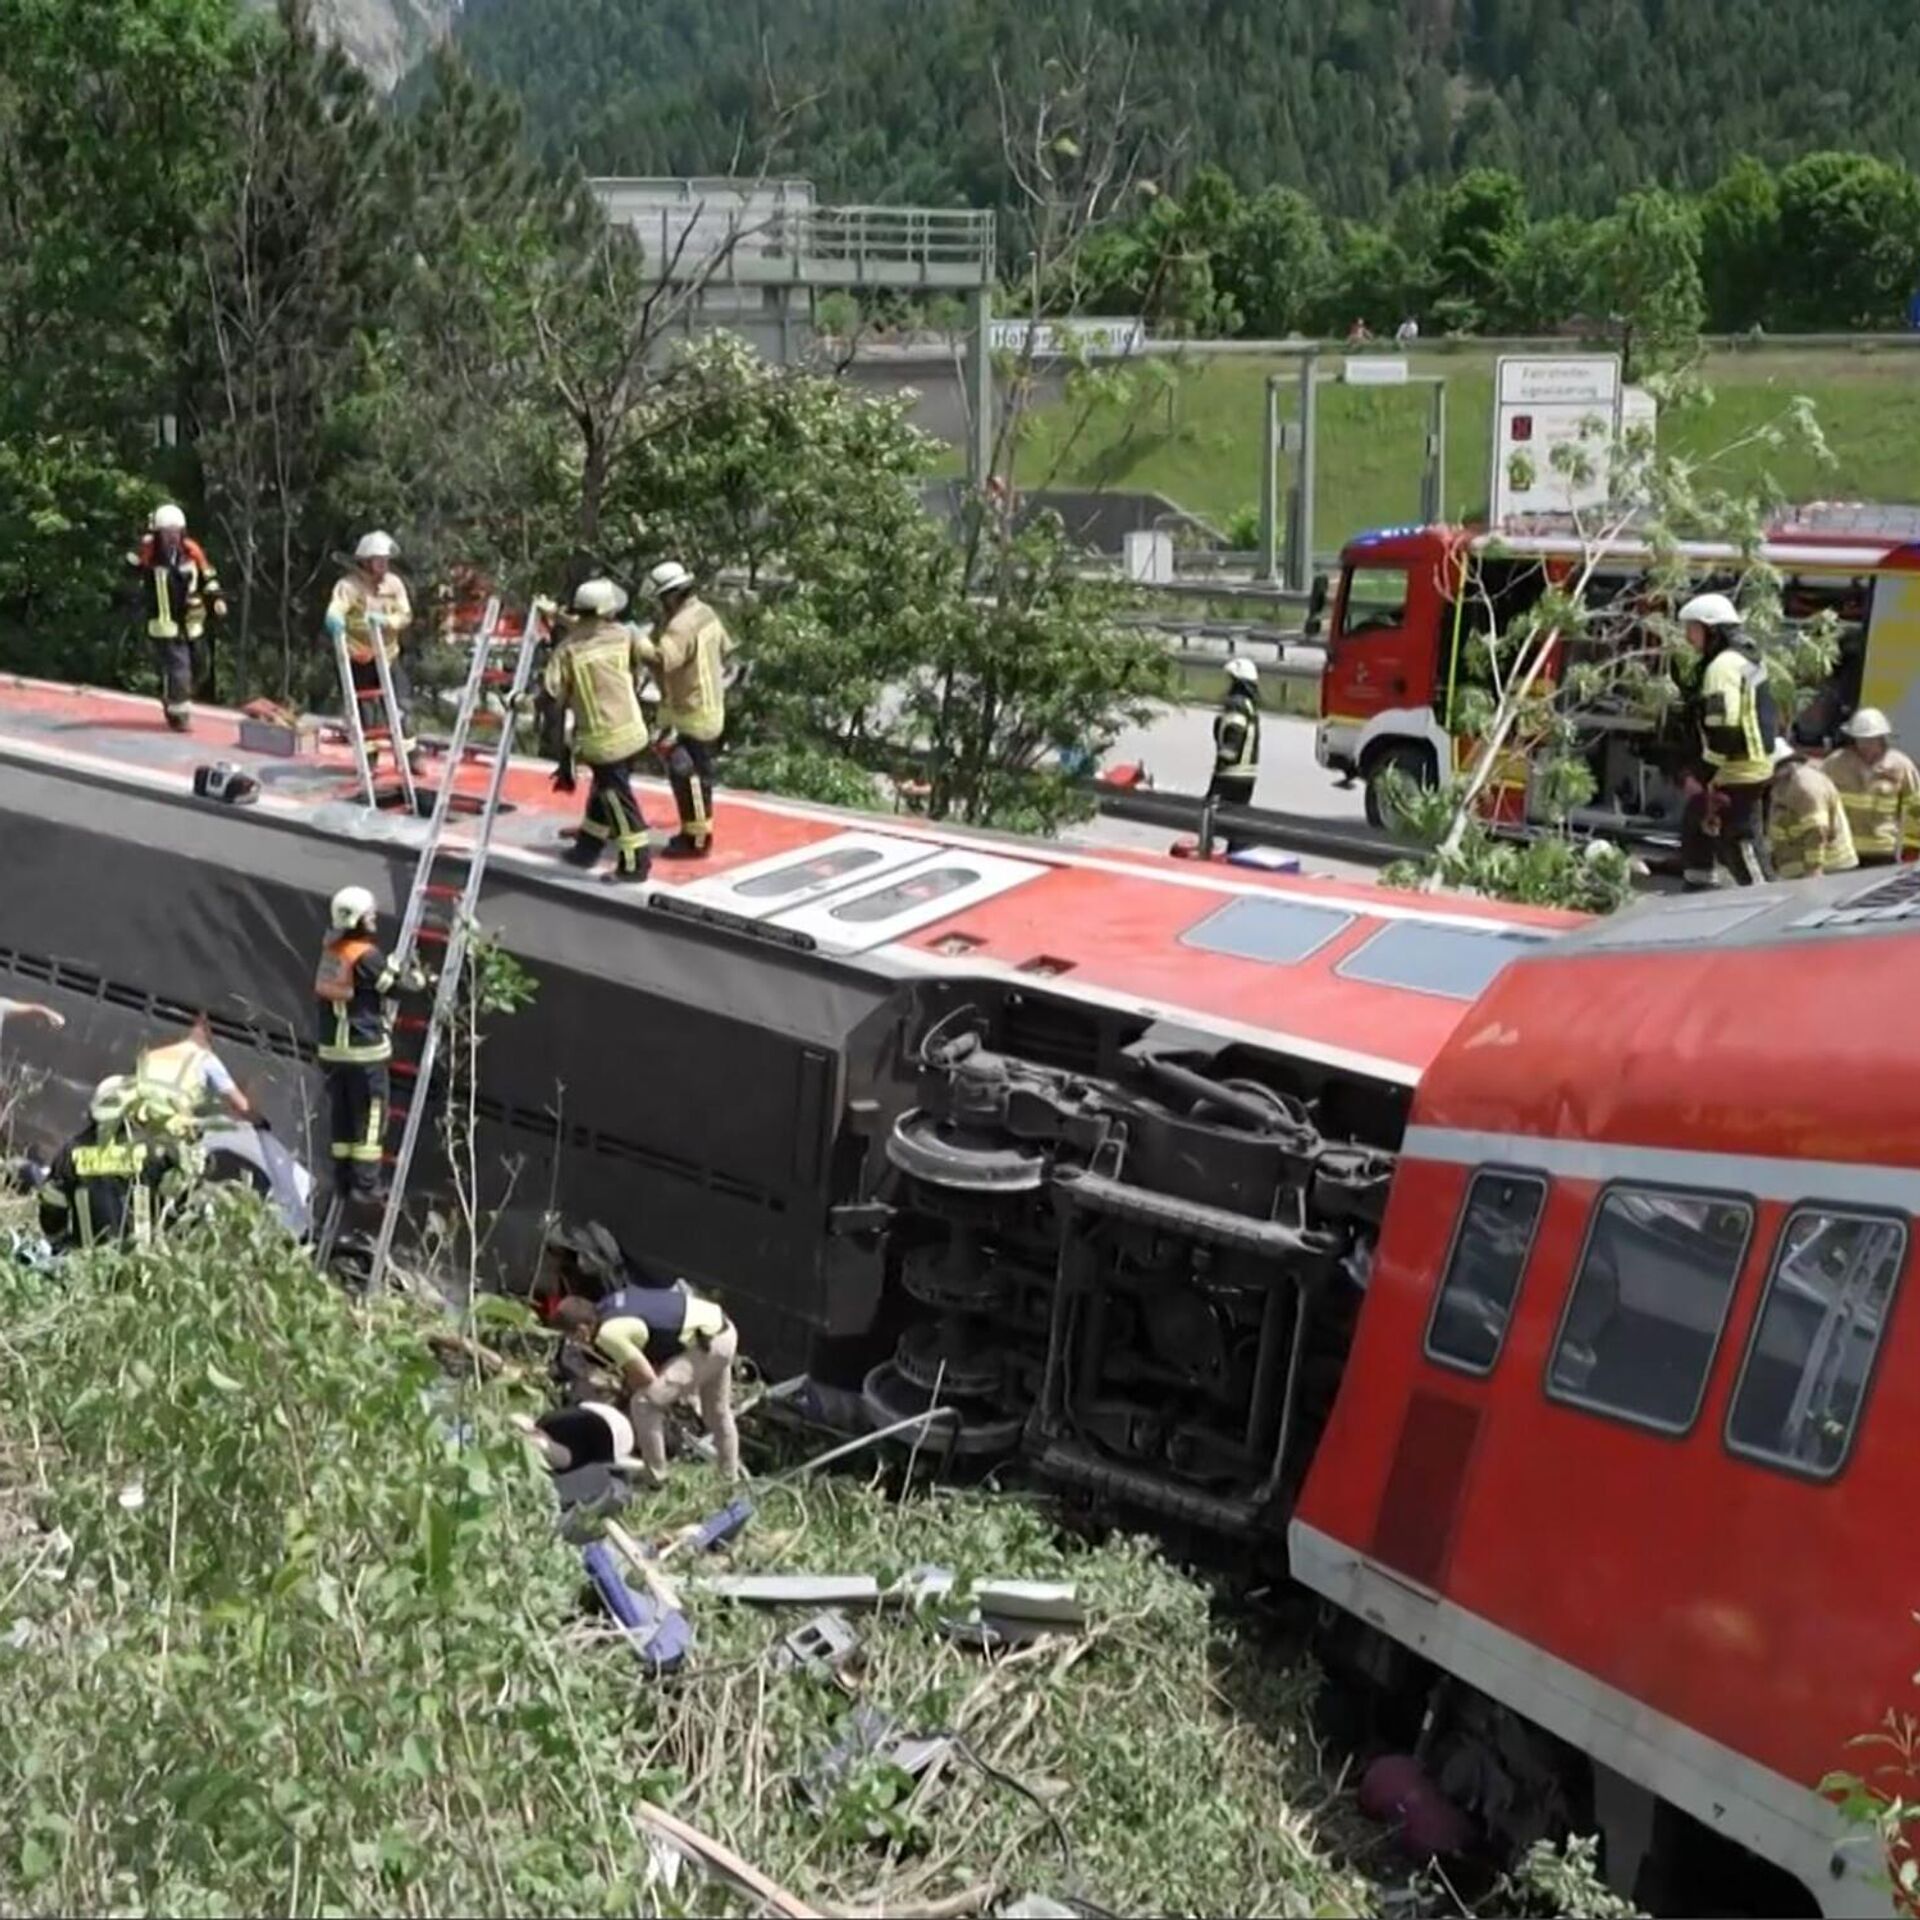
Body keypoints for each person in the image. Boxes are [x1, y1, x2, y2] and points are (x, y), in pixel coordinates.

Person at [552, 1286, 741, 1484]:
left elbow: (646, 1377)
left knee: (643, 1404)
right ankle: (729, 1478)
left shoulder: (607, 1334)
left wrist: (631, 1391)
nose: (574, 1342)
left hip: (706, 1343)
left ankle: (656, 1476)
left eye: (572, 1337)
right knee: (717, 1412)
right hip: (722, 1329)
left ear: (582, 1329)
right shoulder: (609, 1305)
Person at [313, 884, 428, 1208]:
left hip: (332, 1051)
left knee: (343, 1115)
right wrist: (419, 978)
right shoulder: (366, 955)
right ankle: (366, 1185)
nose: (374, 917)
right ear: (358, 920)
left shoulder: (332, 951)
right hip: (364, 1050)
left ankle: (343, 1179)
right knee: (371, 1115)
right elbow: (399, 990)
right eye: (370, 914)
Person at [543, 578, 653, 883]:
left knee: (616, 799)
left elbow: (551, 695)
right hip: (633, 731)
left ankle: (635, 865)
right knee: (603, 792)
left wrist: (517, 702)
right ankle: (587, 848)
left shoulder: (568, 650)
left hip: (604, 740)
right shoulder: (622, 635)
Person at [1677, 592, 1778, 891]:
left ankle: (1767, 907)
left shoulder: (1721, 667)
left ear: (1710, 628)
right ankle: (1700, 891)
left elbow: (1725, 729)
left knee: (1741, 847)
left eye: (1691, 628)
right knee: (1711, 833)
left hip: (1736, 774)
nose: (1687, 637)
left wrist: (1701, 774)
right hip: (1753, 768)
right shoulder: (1748, 658)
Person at [636, 560, 730, 860]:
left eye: (662, 599)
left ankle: (697, 840)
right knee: (692, 773)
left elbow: (664, 660)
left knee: (686, 774)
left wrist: (636, 640)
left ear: (672, 595)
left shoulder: (680, 625)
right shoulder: (706, 614)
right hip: (709, 707)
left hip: (693, 712)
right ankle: (694, 834)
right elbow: (725, 649)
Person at [37, 1075, 182, 1253]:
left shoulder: (71, 1152)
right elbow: (179, 1204)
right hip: (141, 1265)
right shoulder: (154, 1151)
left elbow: (52, 1208)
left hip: (90, 1264)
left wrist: (61, 1245)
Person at [325, 532, 419, 773]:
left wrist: (386, 620)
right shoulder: (349, 586)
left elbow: (405, 615)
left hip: (388, 655)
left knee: (403, 706)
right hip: (359, 657)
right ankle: (370, 761)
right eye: (379, 560)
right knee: (365, 712)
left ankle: (410, 759)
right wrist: (334, 619)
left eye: (386, 560)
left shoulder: (394, 584)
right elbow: (337, 608)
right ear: (366, 561)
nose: (383, 566)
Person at [127, 503, 225, 733]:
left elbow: (208, 577)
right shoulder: (149, 553)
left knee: (200, 666)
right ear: (158, 533)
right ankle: (178, 717)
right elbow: (130, 569)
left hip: (192, 623)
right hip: (165, 623)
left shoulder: (192, 552)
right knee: (180, 669)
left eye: (176, 532)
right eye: (167, 532)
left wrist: (217, 599)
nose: (172, 537)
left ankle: (170, 691)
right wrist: (138, 550)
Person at [133, 1012, 264, 1134]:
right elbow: (241, 1104)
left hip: (137, 1117)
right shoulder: (207, 1059)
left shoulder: (152, 1054)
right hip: (171, 1125)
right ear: (208, 1033)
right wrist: (260, 1122)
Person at [1824, 707, 1920, 869]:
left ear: (1882, 738)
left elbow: (1916, 805)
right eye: (1860, 739)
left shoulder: (1900, 765)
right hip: (1846, 851)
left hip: (1884, 850)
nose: (1864, 745)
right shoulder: (1836, 763)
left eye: (1870, 740)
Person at [1767, 738, 1857, 881]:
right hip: (1800, 868)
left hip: (1828, 868)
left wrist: (1814, 870)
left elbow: (1817, 830)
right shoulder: (1783, 784)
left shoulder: (1805, 785)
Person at [1208, 656, 1262, 853]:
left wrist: (1224, 759)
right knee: (1236, 820)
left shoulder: (1237, 704)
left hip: (1231, 773)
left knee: (1209, 815)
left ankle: (1212, 856)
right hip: (1247, 774)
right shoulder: (1249, 704)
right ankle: (1238, 854)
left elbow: (1234, 732)